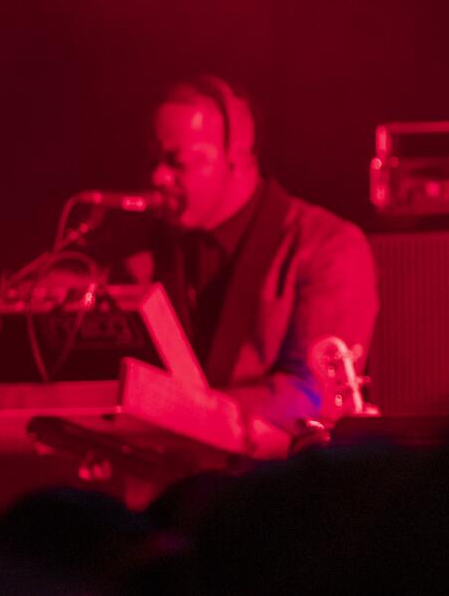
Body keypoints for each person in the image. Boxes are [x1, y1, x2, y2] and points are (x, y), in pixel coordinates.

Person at [115, 75, 378, 447]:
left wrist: (182, 413)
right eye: (154, 160)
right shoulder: (145, 253)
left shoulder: (328, 246)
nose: (158, 176)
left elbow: (316, 393)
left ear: (238, 157)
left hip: (273, 490)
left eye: (177, 162)